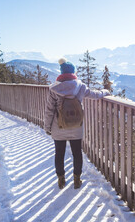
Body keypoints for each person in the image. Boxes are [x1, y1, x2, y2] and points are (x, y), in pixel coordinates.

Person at [44, 58, 110, 189]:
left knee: (59, 154)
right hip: (76, 127)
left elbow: (49, 111)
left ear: (61, 73)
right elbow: (95, 95)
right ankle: (77, 180)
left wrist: (47, 127)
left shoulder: (54, 89)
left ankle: (61, 179)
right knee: (77, 153)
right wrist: (106, 91)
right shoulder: (80, 86)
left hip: (59, 128)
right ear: (73, 72)